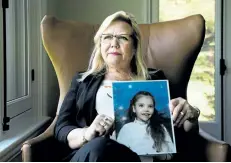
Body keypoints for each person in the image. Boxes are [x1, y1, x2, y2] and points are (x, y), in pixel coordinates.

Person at [54, 10, 200, 162]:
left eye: (122, 38)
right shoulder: (82, 81)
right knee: (99, 146)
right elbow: (61, 128)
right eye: (107, 37)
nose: (114, 44)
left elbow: (182, 136)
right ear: (100, 44)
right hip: (94, 154)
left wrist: (191, 114)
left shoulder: (155, 80)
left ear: (135, 46)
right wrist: (87, 133)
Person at [117, 91, 175, 156]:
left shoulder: (161, 127)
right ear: (134, 108)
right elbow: (120, 154)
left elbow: (171, 153)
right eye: (141, 105)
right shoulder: (127, 128)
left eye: (150, 106)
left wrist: (160, 156)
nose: (146, 109)